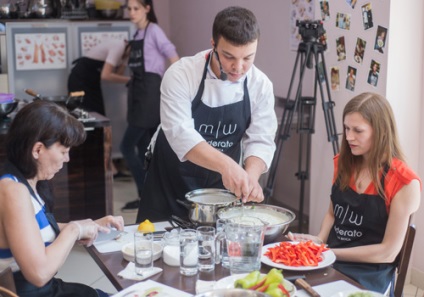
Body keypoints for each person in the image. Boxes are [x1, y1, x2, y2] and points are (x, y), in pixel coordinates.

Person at [136, 6, 277, 222]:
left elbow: (261, 138)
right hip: (169, 181)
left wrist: (250, 178)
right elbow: (180, 134)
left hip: (219, 188)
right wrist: (228, 166)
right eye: (229, 56)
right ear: (213, 45)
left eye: (248, 58)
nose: (238, 67)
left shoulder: (260, 85)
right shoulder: (182, 74)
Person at [289, 92, 421, 294]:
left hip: (370, 273)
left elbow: (387, 253)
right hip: (331, 260)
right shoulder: (342, 162)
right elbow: (333, 213)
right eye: (346, 128)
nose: (349, 137)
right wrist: (318, 240)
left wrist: (327, 252)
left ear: (381, 132)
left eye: (358, 131)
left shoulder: (404, 182)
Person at [0, 100, 125, 297]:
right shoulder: (13, 191)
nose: (67, 159)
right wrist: (75, 229)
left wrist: (91, 226)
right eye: (64, 152)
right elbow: (39, 274)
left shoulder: (25, 183)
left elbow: (33, 232)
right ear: (38, 150)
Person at [120, 0, 179, 212]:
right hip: (137, 91)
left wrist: (172, 86)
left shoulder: (154, 31)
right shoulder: (136, 35)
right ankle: (149, 196)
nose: (132, 12)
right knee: (145, 148)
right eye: (130, 9)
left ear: (147, 9)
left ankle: (144, 192)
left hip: (150, 93)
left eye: (136, 8)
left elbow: (173, 55)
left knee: (126, 146)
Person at [68, 38, 131, 115]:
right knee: (80, 112)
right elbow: (105, 76)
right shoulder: (119, 46)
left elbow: (118, 75)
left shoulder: (127, 53)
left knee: (99, 114)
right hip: (79, 79)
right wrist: (131, 79)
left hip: (93, 82)